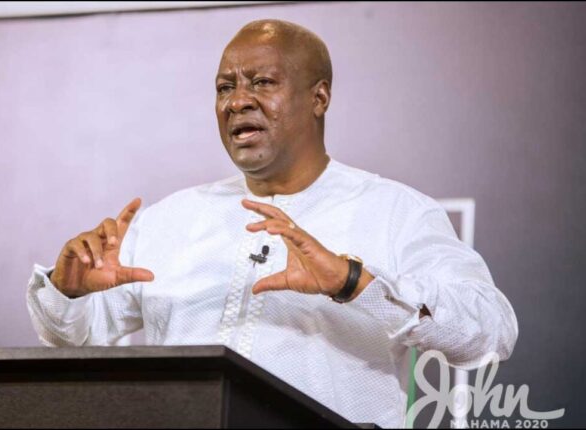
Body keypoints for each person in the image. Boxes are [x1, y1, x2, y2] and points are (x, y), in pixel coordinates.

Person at [26, 19, 518, 428]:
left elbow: (491, 332)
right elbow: (74, 338)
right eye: (225, 87)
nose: (237, 101)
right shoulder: (168, 219)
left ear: (319, 98)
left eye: (262, 83)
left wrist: (353, 283)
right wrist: (70, 293)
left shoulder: (396, 212)